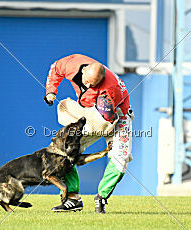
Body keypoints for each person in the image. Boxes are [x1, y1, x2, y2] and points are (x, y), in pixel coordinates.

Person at [44, 54, 133, 214]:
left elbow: (105, 121)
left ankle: (102, 196)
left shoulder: (110, 89)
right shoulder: (72, 64)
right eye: (87, 82)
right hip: (90, 109)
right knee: (64, 151)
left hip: (116, 114)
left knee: (121, 157)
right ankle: (72, 199)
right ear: (84, 70)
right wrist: (51, 90)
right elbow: (55, 69)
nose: (88, 86)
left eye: (93, 85)